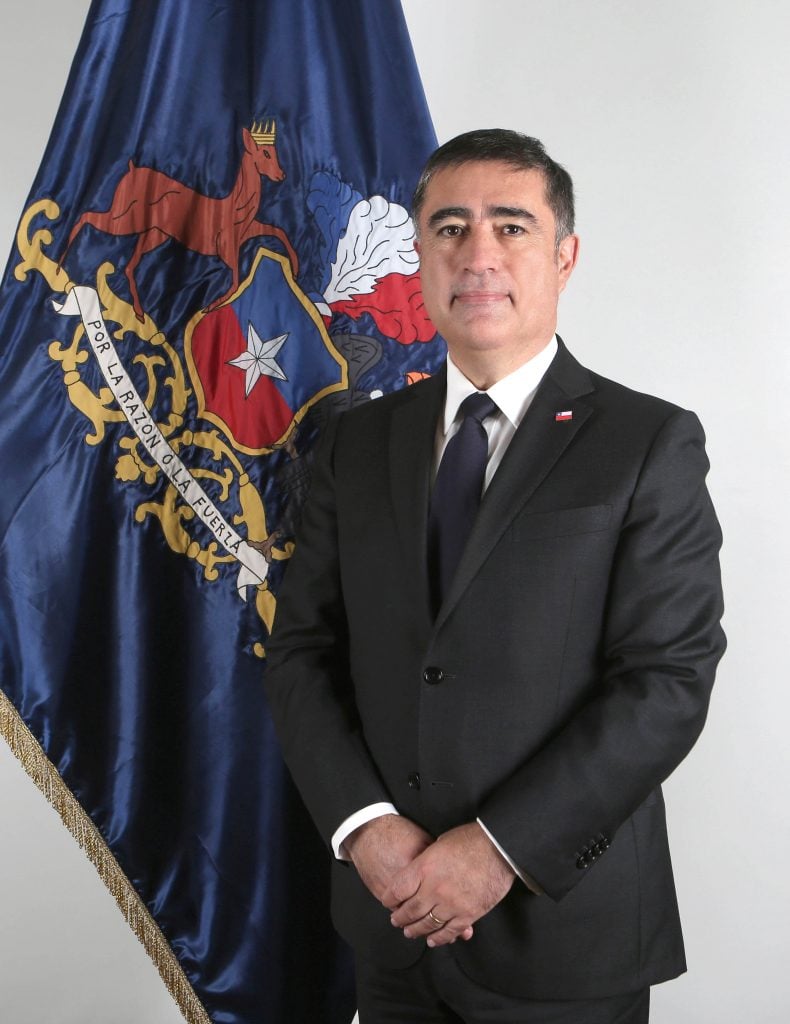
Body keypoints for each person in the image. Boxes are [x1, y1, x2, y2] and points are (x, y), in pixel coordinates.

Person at [265, 129, 725, 1023]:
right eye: (449, 228)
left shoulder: (648, 443)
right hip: (391, 923)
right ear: (419, 256)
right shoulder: (356, 443)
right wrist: (363, 827)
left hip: (565, 937)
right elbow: (302, 653)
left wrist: (498, 849)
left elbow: (665, 682)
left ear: (564, 257)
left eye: (511, 226)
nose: (478, 254)